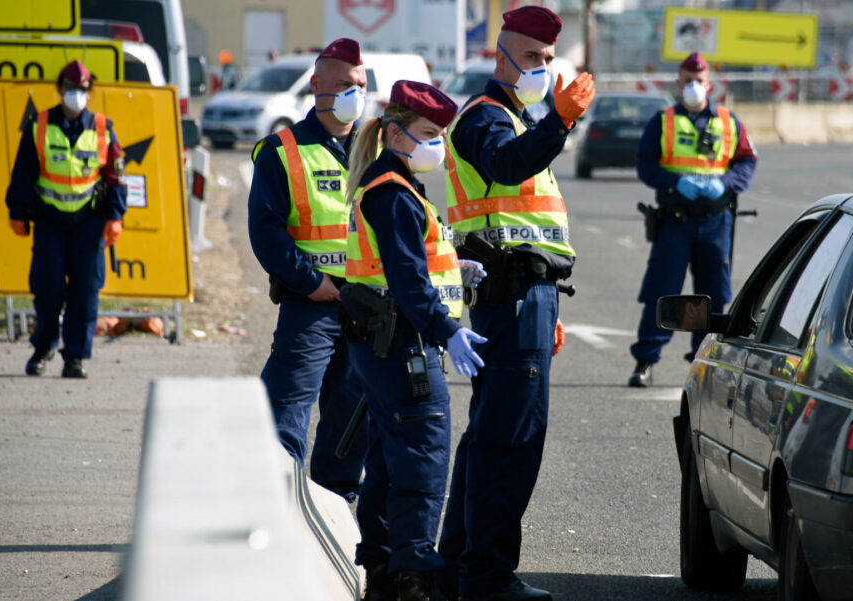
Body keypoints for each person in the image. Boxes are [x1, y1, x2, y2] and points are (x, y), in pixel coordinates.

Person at [437, 6, 595, 601]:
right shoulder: (486, 119)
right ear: (499, 57)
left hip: (529, 296)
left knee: (489, 438)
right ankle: (486, 577)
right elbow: (507, 165)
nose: (542, 69)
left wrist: (547, 304)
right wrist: (558, 121)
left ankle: (456, 572)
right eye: (531, 58)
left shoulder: (519, 121)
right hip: (511, 295)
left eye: (549, 61)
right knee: (511, 442)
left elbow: (535, 230)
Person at [342, 80, 486, 601]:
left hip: (384, 344)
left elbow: (405, 265)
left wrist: (455, 268)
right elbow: (406, 281)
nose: (439, 145)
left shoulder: (392, 185)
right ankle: (414, 577)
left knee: (388, 459)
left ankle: (383, 568)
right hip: (404, 346)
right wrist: (449, 329)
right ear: (396, 133)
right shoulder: (393, 193)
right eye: (429, 133)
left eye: (441, 134)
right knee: (423, 458)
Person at [247, 38, 369, 501]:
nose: (353, 94)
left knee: (352, 412)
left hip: (364, 303)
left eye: (359, 85)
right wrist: (311, 281)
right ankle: (279, 502)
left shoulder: (376, 151)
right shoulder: (281, 150)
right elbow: (267, 232)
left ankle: (335, 503)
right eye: (342, 85)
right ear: (316, 85)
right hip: (312, 302)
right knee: (286, 406)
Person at [627, 51, 757, 387]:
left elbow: (746, 162)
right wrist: (674, 181)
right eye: (688, 80)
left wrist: (724, 184)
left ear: (709, 83)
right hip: (675, 221)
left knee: (713, 296)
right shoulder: (663, 121)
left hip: (716, 221)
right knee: (662, 290)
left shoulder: (730, 122)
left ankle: (704, 364)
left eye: (699, 81)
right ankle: (645, 361)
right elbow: (646, 165)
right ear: (678, 82)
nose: (694, 86)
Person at [5, 60, 127, 379]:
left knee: (86, 292)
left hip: (89, 221)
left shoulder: (103, 128)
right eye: (71, 89)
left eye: (83, 90)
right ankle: (43, 347)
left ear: (90, 92)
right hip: (50, 221)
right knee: (48, 289)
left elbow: (115, 175)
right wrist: (17, 210)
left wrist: (116, 216)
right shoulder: (39, 125)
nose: (77, 95)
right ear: (59, 89)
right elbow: (22, 173)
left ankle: (75, 357)